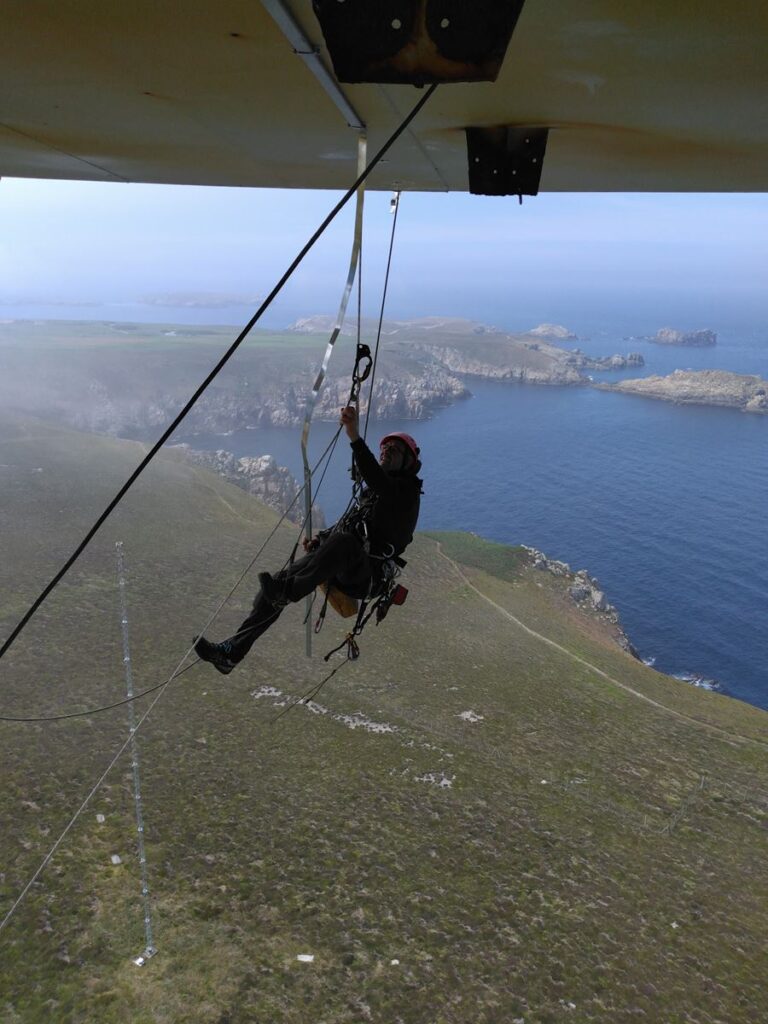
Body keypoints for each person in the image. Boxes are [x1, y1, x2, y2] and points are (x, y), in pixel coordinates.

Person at [194, 405, 422, 674]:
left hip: (366, 575)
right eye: (384, 448)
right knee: (278, 582)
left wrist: (354, 438)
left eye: (395, 450)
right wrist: (321, 541)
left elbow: (377, 483)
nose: (386, 451)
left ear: (408, 463)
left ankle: (287, 593)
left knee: (341, 545)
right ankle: (232, 652)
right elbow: (352, 522)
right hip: (347, 562)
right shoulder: (375, 494)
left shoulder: (405, 494)